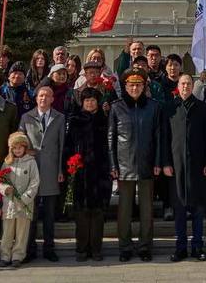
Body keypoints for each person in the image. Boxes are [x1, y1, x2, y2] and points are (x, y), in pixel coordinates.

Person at [110, 67, 163, 262]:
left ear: (144, 86)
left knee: (146, 210)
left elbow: (158, 137)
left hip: (147, 164)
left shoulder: (153, 107)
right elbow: (111, 139)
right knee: (124, 210)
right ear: (125, 86)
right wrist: (113, 165)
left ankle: (145, 246)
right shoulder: (117, 107)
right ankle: (125, 246)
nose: (135, 88)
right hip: (124, 166)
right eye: (131, 85)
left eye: (138, 84)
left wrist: (157, 162)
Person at [163, 74, 206, 262]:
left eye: (189, 84)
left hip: (198, 165)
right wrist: (166, 162)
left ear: (193, 86)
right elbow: (165, 137)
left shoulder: (202, 108)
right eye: (182, 83)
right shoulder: (169, 107)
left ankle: (198, 246)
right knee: (179, 209)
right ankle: (181, 247)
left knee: (198, 209)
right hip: (176, 165)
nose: (185, 86)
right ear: (178, 86)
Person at [18, 83, 65, 263]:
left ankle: (49, 248)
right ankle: (29, 249)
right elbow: (20, 141)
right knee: (31, 213)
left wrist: (60, 170)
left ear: (52, 99)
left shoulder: (59, 117)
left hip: (51, 170)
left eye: (47, 95)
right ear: (36, 98)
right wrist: (26, 153)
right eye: (40, 95)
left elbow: (61, 146)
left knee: (50, 215)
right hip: (31, 170)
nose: (43, 98)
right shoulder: (26, 117)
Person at [66, 86, 111, 261]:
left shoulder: (104, 120)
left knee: (98, 212)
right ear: (82, 102)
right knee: (82, 212)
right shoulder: (75, 120)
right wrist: (71, 163)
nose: (90, 103)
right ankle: (82, 248)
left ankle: (96, 248)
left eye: (93, 100)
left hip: (100, 171)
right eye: (87, 100)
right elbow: (68, 145)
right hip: (80, 172)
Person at [0, 132, 40, 267]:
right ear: (11, 149)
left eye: (20, 147)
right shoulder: (7, 163)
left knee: (22, 232)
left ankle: (18, 256)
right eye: (14, 148)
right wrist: (5, 188)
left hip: (24, 204)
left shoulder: (31, 162)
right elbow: (0, 180)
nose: (17, 150)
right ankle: (5, 256)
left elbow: (35, 182)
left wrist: (25, 197)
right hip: (9, 204)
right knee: (7, 232)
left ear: (25, 147)